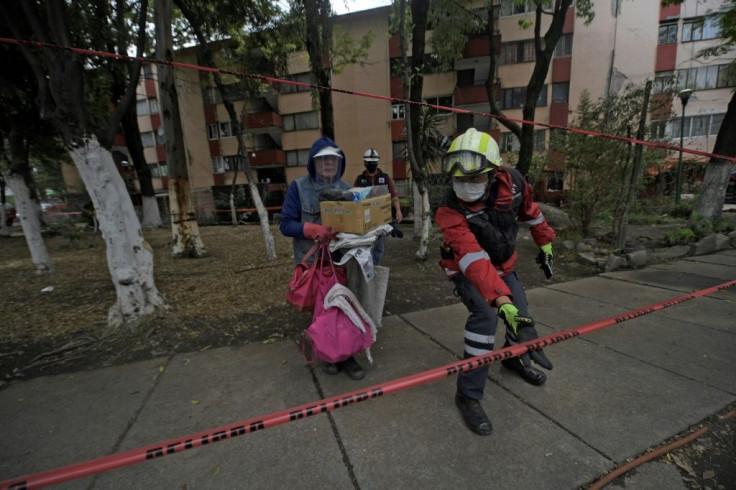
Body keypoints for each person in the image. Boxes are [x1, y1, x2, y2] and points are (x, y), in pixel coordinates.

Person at [434, 128, 556, 436]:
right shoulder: (449, 209)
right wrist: (502, 301)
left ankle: (514, 360)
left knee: (522, 315)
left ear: (493, 173)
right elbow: (472, 258)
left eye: (474, 179)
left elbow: (532, 214)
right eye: (458, 179)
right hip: (467, 268)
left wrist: (546, 243)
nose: (465, 187)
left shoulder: (513, 182)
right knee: (486, 318)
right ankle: (468, 394)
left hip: (504, 263)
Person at [279, 136, 365, 381]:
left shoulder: (347, 188)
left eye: (333, 159)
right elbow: (285, 225)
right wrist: (313, 230)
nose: (328, 163)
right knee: (322, 312)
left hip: (342, 260)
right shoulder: (299, 187)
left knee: (345, 307)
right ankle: (329, 356)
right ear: (313, 162)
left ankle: (347, 355)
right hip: (314, 263)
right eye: (323, 158)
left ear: (340, 163)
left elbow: (355, 221)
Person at [353, 148, 403, 265]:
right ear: (365, 163)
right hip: (365, 220)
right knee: (366, 246)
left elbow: (394, 196)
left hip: (381, 219)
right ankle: (366, 268)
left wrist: (398, 211)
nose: (371, 165)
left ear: (377, 163)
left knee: (379, 247)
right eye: (369, 163)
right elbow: (353, 199)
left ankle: (374, 268)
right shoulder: (360, 179)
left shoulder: (385, 178)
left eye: (373, 163)